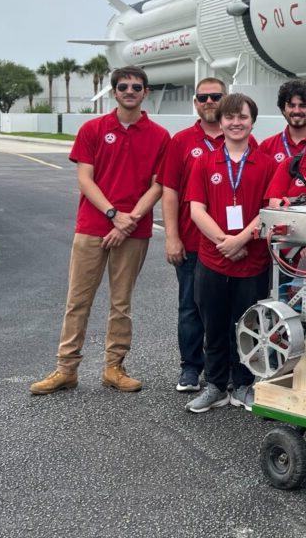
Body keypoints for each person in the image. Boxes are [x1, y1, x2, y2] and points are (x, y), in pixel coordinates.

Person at [30, 66, 169, 395]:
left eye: (137, 86)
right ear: (114, 91)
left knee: (121, 304)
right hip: (92, 226)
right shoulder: (92, 129)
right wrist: (112, 214)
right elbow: (84, 179)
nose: (130, 91)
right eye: (124, 86)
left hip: (134, 230)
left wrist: (129, 219)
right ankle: (66, 369)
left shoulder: (160, 136)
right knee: (78, 301)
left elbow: (158, 185)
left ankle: (114, 368)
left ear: (145, 92)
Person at [183, 93, 276, 413]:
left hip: (252, 261)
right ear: (220, 122)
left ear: (252, 121)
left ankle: (245, 384)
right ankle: (216, 385)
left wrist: (242, 241)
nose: (236, 123)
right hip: (212, 259)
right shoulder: (204, 161)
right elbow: (197, 210)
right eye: (230, 118)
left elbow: (268, 211)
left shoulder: (265, 162)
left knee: (248, 325)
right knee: (214, 324)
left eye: (243, 117)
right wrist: (225, 241)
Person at [156, 77, 227, 393]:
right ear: (195, 103)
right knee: (190, 307)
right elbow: (169, 192)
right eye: (203, 97)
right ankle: (190, 368)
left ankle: (226, 370)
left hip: (230, 243)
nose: (209, 102)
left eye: (216, 96)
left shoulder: (240, 138)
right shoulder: (181, 141)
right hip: (192, 241)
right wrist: (172, 237)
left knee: (228, 310)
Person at [257, 79, 306, 166]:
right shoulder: (267, 147)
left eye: (303, 106)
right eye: (291, 105)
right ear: (283, 110)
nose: (297, 111)